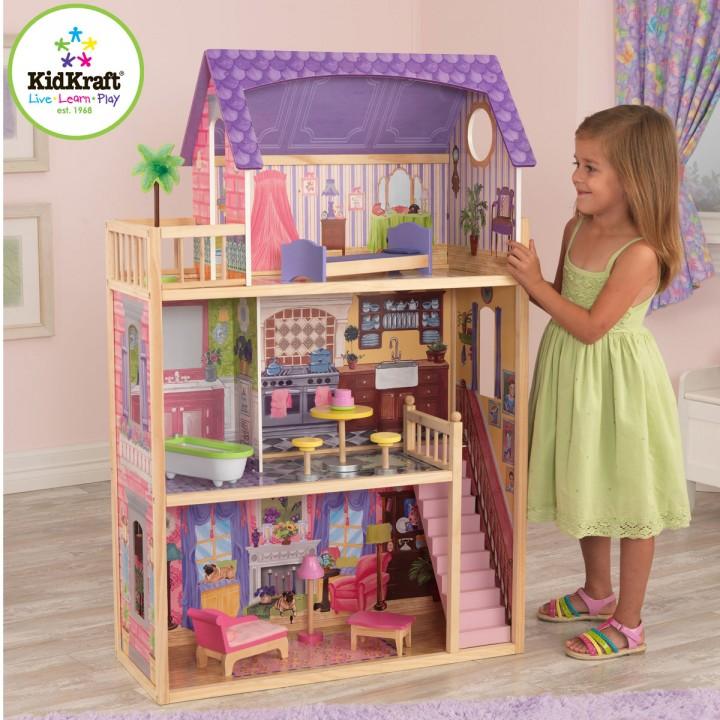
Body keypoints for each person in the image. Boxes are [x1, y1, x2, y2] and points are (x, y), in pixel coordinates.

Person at [507, 104, 691, 661]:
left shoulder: (640, 253)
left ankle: (629, 624)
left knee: (630, 496)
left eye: (591, 168)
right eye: (576, 163)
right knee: (589, 481)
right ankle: (596, 592)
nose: (576, 177)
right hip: (575, 378)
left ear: (633, 178)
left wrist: (535, 284)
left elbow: (590, 326)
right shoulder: (577, 228)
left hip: (619, 385)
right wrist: (528, 278)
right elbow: (563, 300)